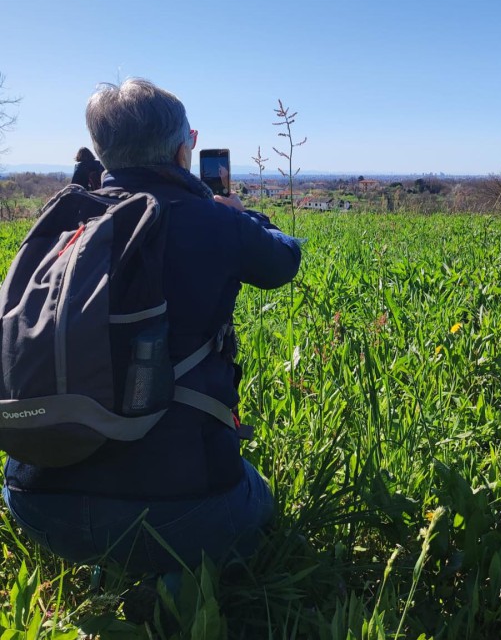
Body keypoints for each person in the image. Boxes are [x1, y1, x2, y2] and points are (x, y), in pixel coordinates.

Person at [2, 78, 302, 575]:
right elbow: (283, 261)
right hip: (184, 509)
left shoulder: (66, 223)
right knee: (256, 502)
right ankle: (180, 598)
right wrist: (246, 218)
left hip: (34, 503)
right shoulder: (215, 222)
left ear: (102, 151)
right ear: (184, 148)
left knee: (101, 517)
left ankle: (102, 560)